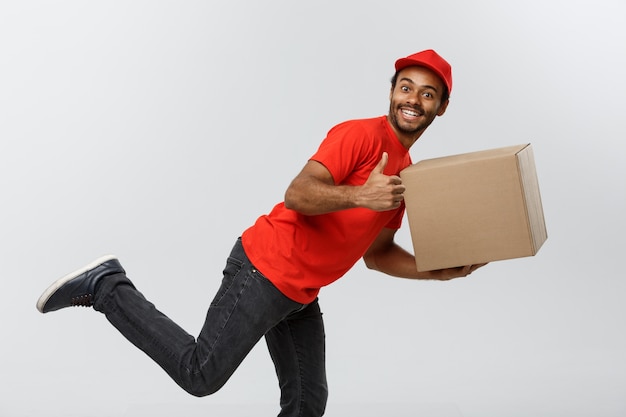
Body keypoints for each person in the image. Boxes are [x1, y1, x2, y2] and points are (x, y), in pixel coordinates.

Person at [36, 49, 486, 417]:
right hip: (264, 270)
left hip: (300, 293)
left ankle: (107, 286)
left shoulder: (404, 177)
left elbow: (378, 254)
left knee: (308, 404)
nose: (414, 99)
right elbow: (299, 193)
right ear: (391, 92)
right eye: (406, 87)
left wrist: (437, 272)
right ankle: (107, 286)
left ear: (441, 108)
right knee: (200, 374)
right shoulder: (360, 137)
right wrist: (358, 197)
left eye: (428, 94)